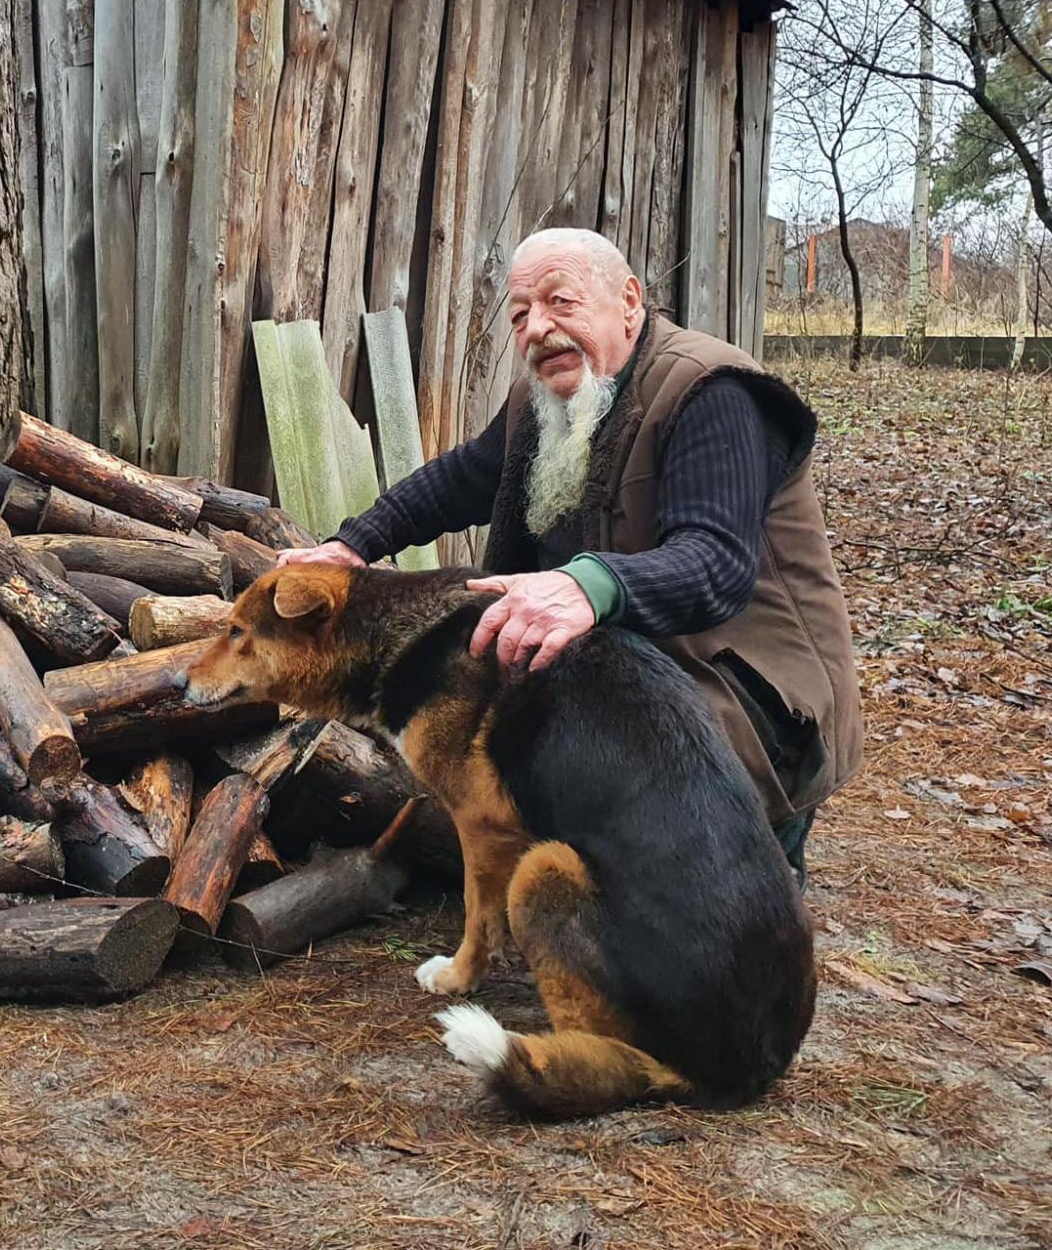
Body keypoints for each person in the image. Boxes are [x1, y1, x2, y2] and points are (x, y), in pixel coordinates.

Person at [282, 227, 862, 879]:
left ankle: (751, 877)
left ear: (629, 302)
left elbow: (715, 565)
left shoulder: (712, 392)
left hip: (747, 695)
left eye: (562, 302)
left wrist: (588, 585)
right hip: (629, 679)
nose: (537, 328)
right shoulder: (545, 395)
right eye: (522, 314)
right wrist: (350, 544)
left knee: (698, 931)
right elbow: (464, 478)